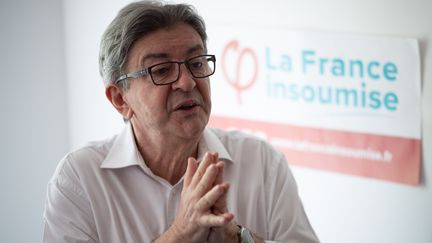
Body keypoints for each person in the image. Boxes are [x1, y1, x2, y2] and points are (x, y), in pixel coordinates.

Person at [43, 1, 319, 242]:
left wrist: (237, 240)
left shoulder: (261, 161)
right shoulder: (80, 178)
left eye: (197, 63)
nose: (187, 82)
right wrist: (181, 234)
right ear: (119, 99)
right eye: (161, 71)